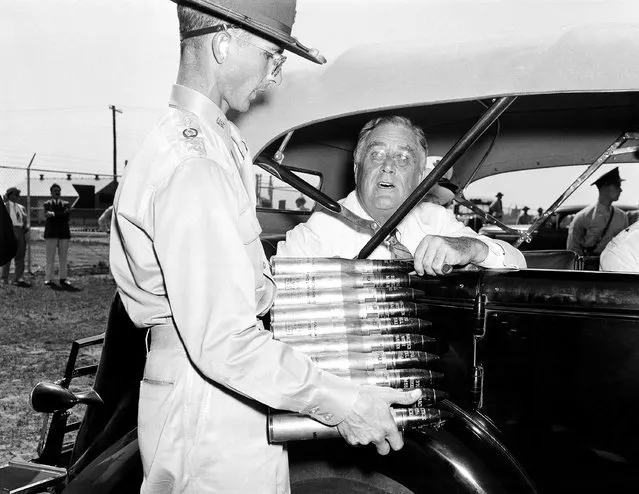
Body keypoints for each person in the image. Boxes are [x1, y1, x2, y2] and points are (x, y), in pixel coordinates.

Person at [109, 2, 420, 493]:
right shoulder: (194, 165)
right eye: (273, 55)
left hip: (224, 391)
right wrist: (346, 401)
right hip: (209, 404)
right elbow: (226, 340)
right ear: (224, 42)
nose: (274, 76)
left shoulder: (216, 142)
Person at [277, 116, 526, 274]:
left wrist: (472, 248)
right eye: (376, 154)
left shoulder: (436, 219)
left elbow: (517, 262)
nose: (388, 166)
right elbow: (276, 303)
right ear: (357, 169)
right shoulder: (317, 233)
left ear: (419, 177)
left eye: (404, 158)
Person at [567, 167, 629, 259]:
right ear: (604, 188)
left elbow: (626, 246)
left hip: (614, 265)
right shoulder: (582, 218)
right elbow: (573, 250)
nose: (620, 190)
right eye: (617, 186)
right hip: (590, 266)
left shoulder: (622, 217)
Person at [43, 183, 78, 291]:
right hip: (51, 234)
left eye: (58, 190)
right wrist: (60, 214)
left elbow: (66, 215)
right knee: (50, 258)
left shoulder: (66, 203)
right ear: (51, 192)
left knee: (63, 257)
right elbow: (47, 214)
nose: (57, 192)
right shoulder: (47, 203)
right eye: (55, 190)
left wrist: (54, 214)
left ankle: (63, 278)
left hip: (63, 234)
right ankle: (49, 278)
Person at [1, 187, 30, 287]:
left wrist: (26, 227)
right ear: (9, 195)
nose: (17, 196)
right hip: (9, 230)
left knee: (20, 255)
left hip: (20, 230)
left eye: (18, 194)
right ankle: (4, 278)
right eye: (15, 194)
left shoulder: (21, 207)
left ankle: (19, 277)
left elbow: (25, 220)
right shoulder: (5, 206)